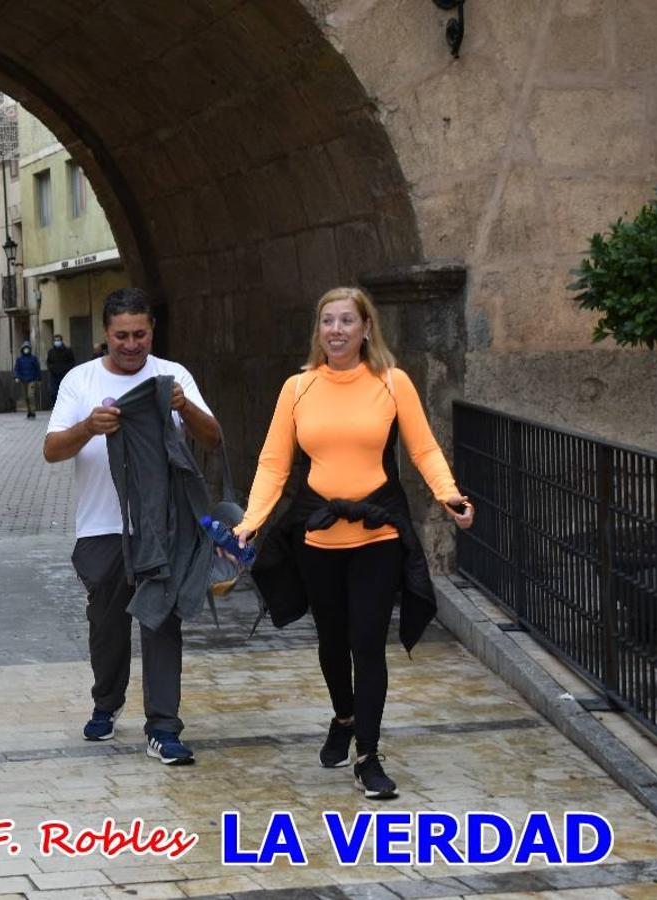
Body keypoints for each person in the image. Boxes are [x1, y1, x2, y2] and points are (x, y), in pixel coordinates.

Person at [234, 286, 475, 800]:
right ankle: (343, 715)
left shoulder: (392, 382)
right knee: (332, 641)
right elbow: (274, 463)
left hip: (377, 533)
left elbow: (423, 447)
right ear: (318, 331)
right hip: (317, 537)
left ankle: (368, 754)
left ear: (367, 328)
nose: (337, 330)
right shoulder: (297, 389)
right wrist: (251, 521)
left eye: (347, 320)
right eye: (328, 321)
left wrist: (449, 496)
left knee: (368, 644)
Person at [44, 288, 222, 765]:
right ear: (106, 334)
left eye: (139, 334)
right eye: (121, 335)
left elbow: (213, 437)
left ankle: (164, 727)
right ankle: (107, 699)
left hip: (162, 528)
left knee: (162, 622)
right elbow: (52, 449)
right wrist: (88, 427)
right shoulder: (79, 381)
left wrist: (184, 407)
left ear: (152, 331)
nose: (130, 344)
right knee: (107, 627)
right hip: (101, 528)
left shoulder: (172, 376)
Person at [13, 342, 42, 418]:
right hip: (23, 380)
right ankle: (29, 411)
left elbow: (37, 368)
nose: (26, 350)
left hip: (32, 380)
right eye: (25, 348)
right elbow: (16, 369)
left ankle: (32, 411)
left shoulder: (33, 358)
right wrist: (16, 377)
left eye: (27, 348)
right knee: (26, 397)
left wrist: (39, 378)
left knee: (31, 395)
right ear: (22, 349)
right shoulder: (19, 359)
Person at [46, 335, 76, 407]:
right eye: (56, 340)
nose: (57, 342)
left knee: (64, 392)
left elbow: (72, 362)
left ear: (61, 341)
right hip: (54, 375)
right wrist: (51, 368)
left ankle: (65, 406)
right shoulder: (51, 351)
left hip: (64, 375)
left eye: (58, 340)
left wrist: (66, 369)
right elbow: (48, 362)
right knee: (53, 393)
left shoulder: (68, 351)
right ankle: (55, 406)